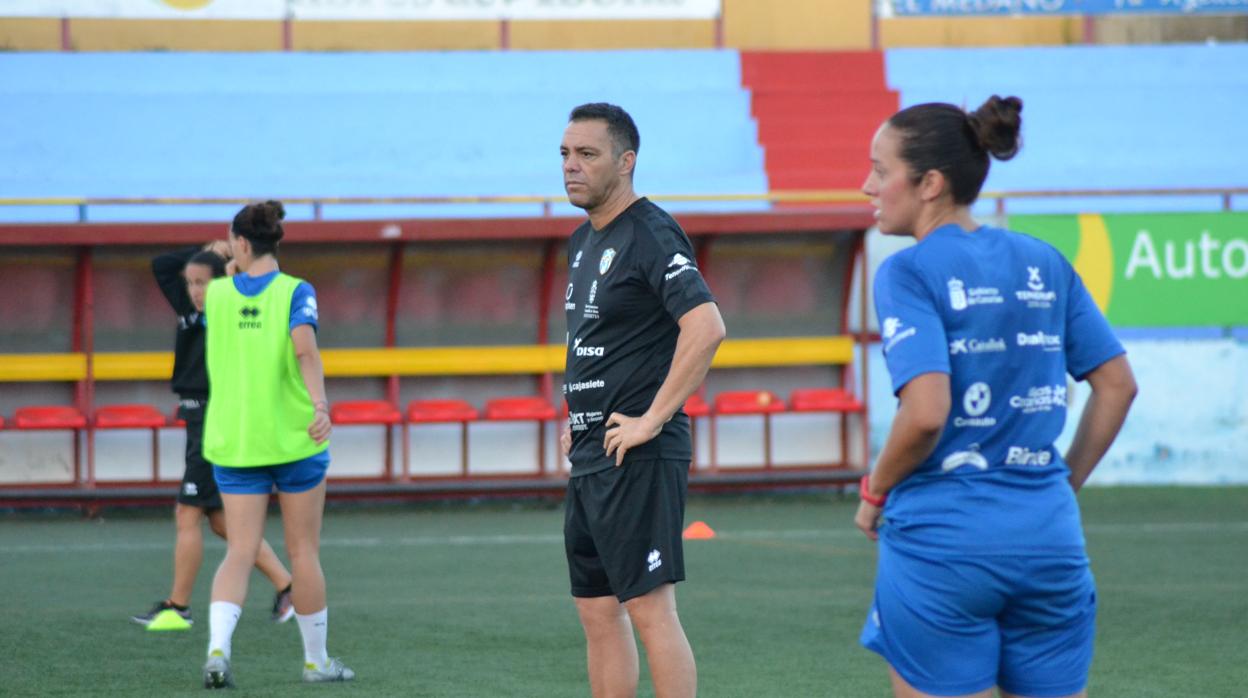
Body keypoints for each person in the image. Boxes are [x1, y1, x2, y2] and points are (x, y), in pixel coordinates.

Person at [854, 95, 1138, 698]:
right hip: (1049, 537)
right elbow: (1118, 384)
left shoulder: (907, 272)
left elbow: (926, 412)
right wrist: (1060, 483)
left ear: (929, 183)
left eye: (881, 170)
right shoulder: (1044, 260)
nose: (867, 185)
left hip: (944, 543)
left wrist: (874, 489)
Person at [559, 102, 726, 698]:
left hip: (638, 456)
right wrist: (571, 416)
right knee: (597, 613)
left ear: (626, 162)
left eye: (587, 154)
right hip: (591, 452)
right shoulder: (583, 239)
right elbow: (597, 340)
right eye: (565, 154)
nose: (571, 166)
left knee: (649, 611)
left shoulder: (651, 231)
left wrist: (654, 419)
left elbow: (705, 326)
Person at [199, 201, 354, 688]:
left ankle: (218, 650)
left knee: (239, 551)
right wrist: (321, 405)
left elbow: (221, 287)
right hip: (293, 437)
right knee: (303, 551)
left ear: (241, 244)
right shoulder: (295, 291)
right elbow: (305, 350)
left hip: (237, 440)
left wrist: (229, 263)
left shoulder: (217, 296)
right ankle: (316, 662)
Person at [132, 244, 294, 631]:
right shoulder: (190, 309)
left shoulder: (230, 308)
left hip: (212, 416)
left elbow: (260, 284)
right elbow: (160, 262)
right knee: (224, 523)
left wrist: (233, 262)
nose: (195, 290)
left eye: (203, 282)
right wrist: (206, 250)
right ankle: (289, 588)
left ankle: (178, 607)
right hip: (196, 415)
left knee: (187, 512)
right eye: (191, 283)